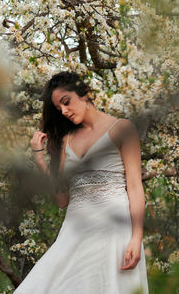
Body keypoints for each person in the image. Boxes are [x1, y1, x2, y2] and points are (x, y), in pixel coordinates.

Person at [13, 71, 149, 293]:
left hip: (115, 232)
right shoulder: (66, 141)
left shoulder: (123, 129)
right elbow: (61, 200)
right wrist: (39, 159)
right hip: (74, 233)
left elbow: (135, 187)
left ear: (84, 93)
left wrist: (136, 237)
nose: (64, 111)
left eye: (66, 102)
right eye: (59, 109)